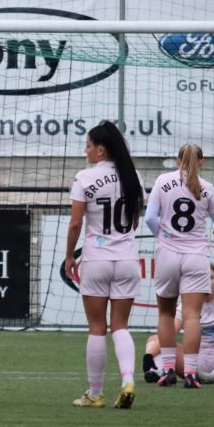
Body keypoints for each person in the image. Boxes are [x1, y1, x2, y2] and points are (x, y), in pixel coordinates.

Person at [64, 122, 144, 410]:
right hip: (127, 259)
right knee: (120, 325)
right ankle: (127, 380)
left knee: (97, 327)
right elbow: (135, 219)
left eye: (87, 145)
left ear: (100, 150)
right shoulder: (132, 175)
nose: (85, 150)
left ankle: (95, 393)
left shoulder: (84, 178)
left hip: (96, 259)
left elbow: (75, 222)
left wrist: (70, 255)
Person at [144, 143, 214, 389]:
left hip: (168, 252)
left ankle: (168, 371)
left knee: (166, 314)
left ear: (177, 159)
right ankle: (190, 374)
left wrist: (163, 235)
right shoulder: (208, 188)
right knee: (192, 316)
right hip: (196, 255)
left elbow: (149, 218)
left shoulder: (162, 181)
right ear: (202, 161)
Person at [141, 263, 214, 383]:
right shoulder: (186, 305)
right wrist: (148, 355)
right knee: (155, 340)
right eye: (202, 279)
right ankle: (159, 372)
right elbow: (171, 332)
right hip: (195, 362)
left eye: (211, 278)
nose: (206, 282)